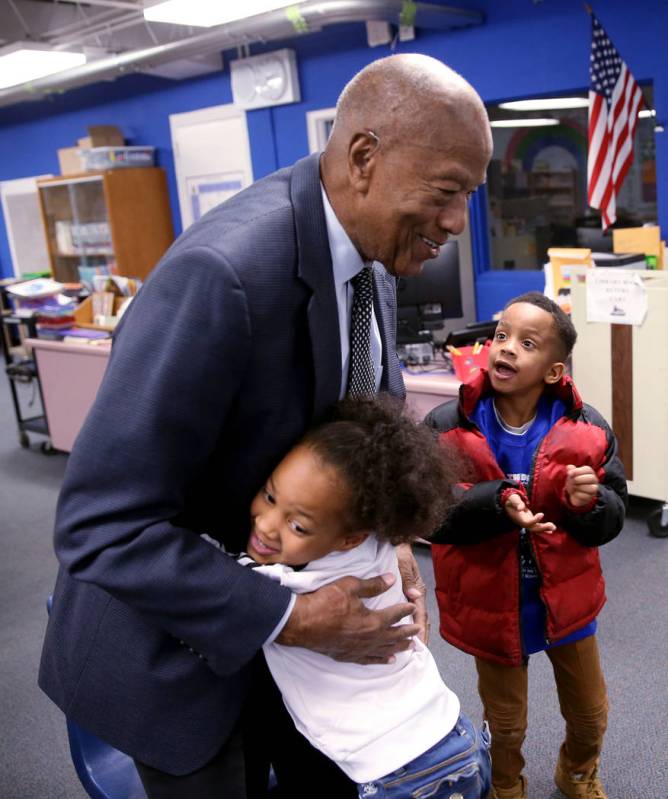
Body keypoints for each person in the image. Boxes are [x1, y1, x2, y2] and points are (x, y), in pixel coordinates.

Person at [38, 52, 492, 798]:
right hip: (180, 656)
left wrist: (389, 538)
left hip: (300, 638)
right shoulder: (222, 277)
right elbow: (100, 524)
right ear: (363, 158)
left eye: (468, 195)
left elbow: (364, 431)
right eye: (446, 192)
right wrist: (290, 614)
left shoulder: (373, 255)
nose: (456, 221)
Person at [225, 395, 491, 799]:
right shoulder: (379, 544)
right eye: (269, 495)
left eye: (298, 526)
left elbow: (229, 583)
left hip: (393, 770)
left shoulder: (296, 586)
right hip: (454, 733)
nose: (265, 524)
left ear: (349, 537)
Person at [426, 293, 627, 799]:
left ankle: (577, 772)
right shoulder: (449, 423)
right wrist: (495, 504)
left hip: (565, 601)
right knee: (507, 721)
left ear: (554, 370)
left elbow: (615, 514)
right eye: (501, 336)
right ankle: (507, 784)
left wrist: (590, 502)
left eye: (527, 343)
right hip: (491, 603)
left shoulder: (588, 430)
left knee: (589, 712)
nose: (506, 349)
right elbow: (426, 511)